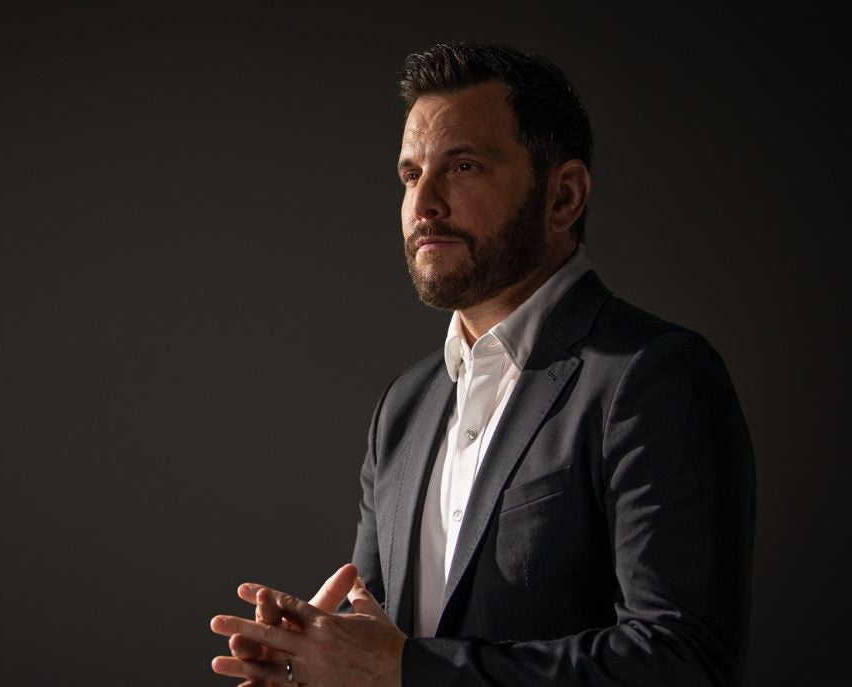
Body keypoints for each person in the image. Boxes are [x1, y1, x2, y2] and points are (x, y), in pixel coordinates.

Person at [209, 42, 754, 686]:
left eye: (463, 166)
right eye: (411, 174)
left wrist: (401, 669)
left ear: (564, 196)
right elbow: (378, 646)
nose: (424, 203)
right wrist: (315, 662)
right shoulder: (404, 406)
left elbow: (682, 662)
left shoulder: (654, 375)